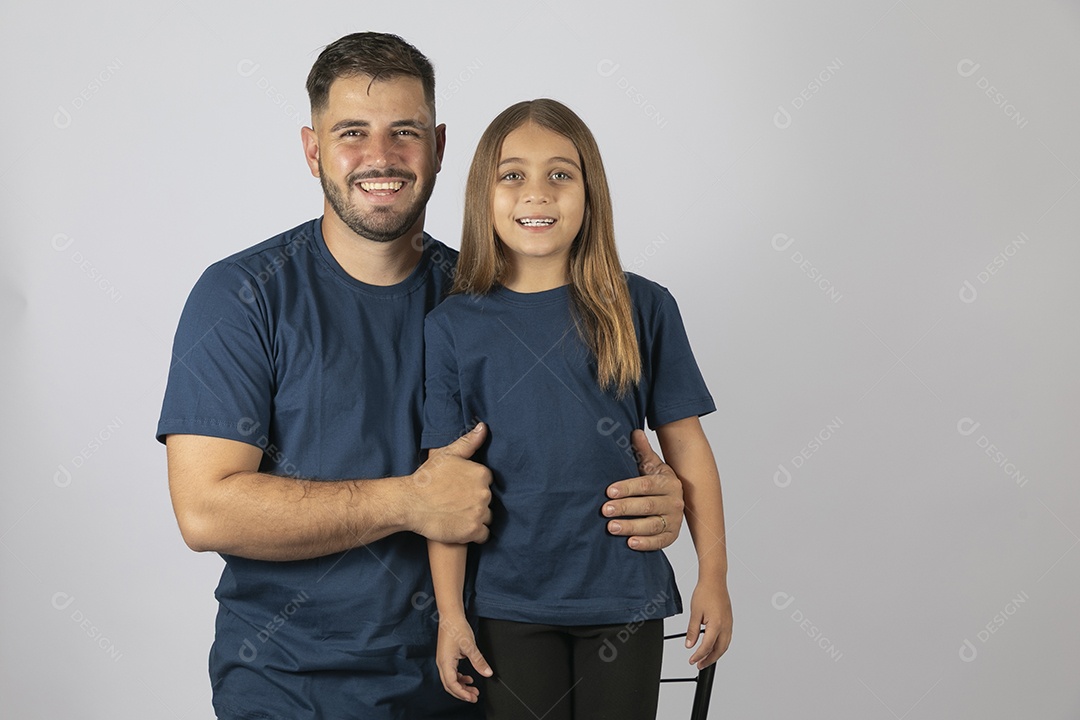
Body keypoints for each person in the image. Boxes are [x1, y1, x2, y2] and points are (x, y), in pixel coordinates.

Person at [157, 33, 687, 720]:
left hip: (473, 683)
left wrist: (654, 500)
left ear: (438, 147)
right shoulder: (243, 295)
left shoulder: (489, 301)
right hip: (292, 691)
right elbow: (206, 510)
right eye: (352, 132)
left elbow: (566, 455)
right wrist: (408, 501)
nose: (380, 156)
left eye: (404, 132)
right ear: (313, 151)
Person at [423, 99, 732, 720]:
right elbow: (445, 482)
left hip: (624, 596)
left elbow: (686, 443)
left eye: (560, 174)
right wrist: (450, 614)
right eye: (513, 175)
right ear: (483, 194)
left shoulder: (644, 306)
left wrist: (714, 576)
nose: (536, 192)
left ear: (591, 194)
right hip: (508, 603)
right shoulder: (452, 325)